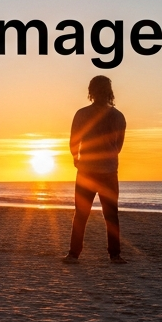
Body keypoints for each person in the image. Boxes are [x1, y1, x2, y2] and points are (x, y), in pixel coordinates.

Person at [64, 75, 127, 264]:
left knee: (82, 214)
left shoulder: (82, 113)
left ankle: (74, 254)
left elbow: (74, 140)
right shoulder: (118, 116)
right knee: (110, 215)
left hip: (88, 170)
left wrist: (77, 158)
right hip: (107, 170)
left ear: (91, 91)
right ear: (109, 92)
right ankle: (114, 255)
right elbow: (118, 146)